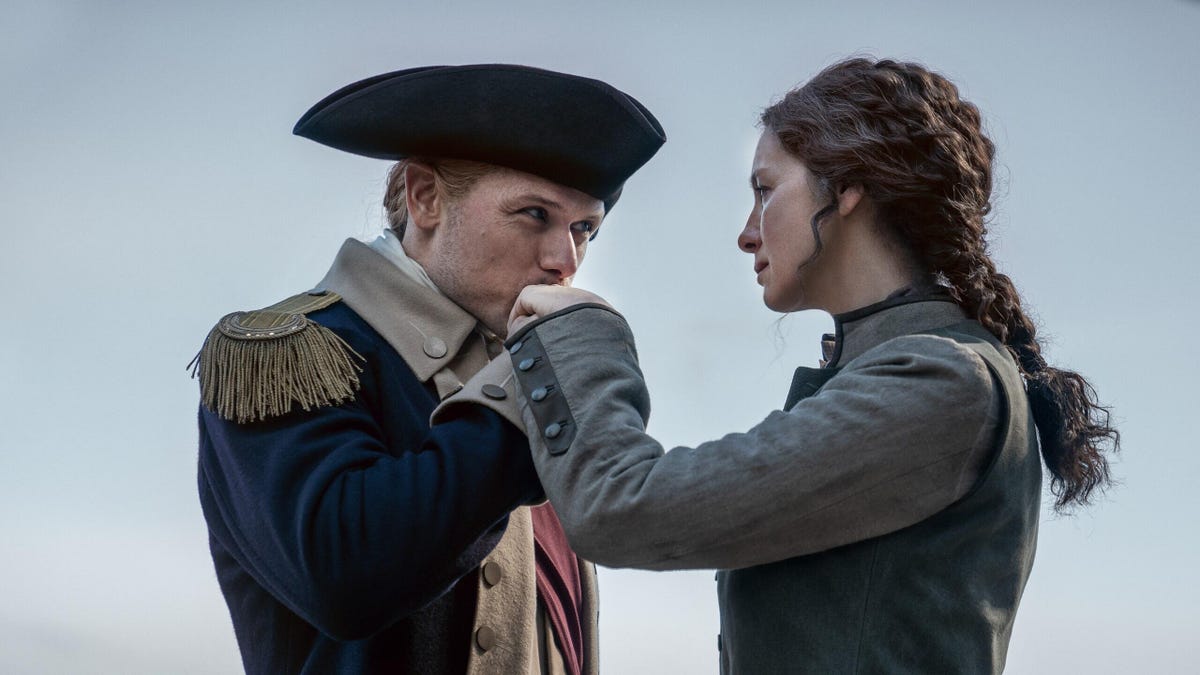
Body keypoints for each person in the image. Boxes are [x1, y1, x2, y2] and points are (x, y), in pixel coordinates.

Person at [450, 57, 1119, 673]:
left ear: (847, 186)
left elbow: (619, 505)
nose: (747, 232)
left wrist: (575, 329)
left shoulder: (943, 383)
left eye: (765, 190)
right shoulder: (913, 371)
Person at [191, 64, 664, 674]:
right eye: (535, 214)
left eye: (584, 228)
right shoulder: (287, 354)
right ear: (425, 197)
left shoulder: (532, 374)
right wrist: (535, 377)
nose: (564, 260)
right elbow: (345, 577)